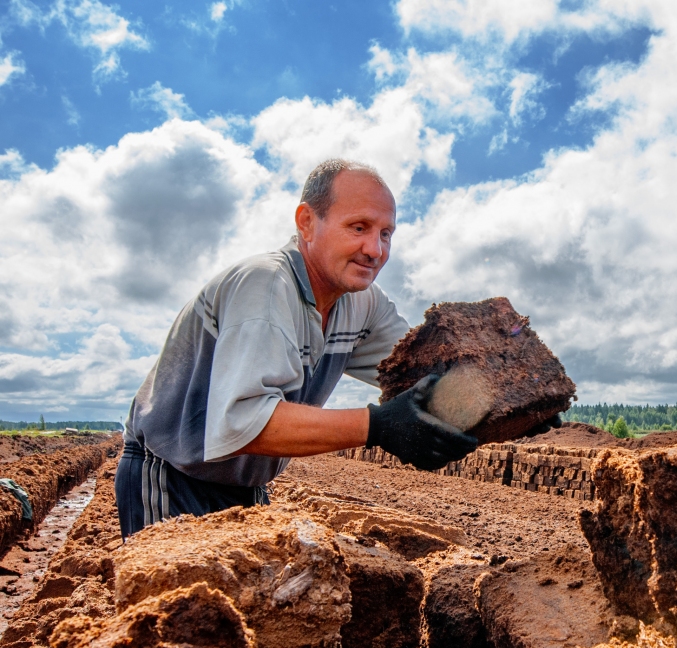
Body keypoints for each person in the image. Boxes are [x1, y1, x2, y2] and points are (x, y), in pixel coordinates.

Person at [115, 159, 477, 538]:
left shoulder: (363, 303)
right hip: (172, 478)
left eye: (386, 234)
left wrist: (501, 392)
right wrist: (378, 425)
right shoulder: (266, 285)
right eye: (359, 227)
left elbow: (425, 374)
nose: (375, 249)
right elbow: (244, 422)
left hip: (245, 486)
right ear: (306, 222)